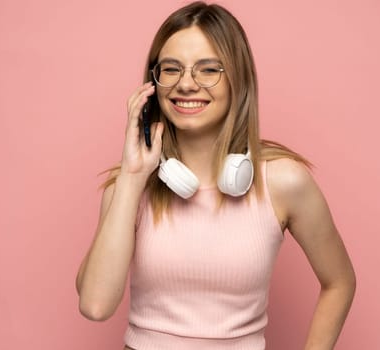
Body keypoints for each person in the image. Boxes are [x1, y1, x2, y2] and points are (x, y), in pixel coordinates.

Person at [75, 2, 356, 349]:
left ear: (238, 78)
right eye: (171, 69)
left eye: (208, 70)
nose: (186, 84)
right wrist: (133, 177)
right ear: (153, 84)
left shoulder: (284, 181)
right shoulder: (128, 188)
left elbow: (339, 282)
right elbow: (95, 305)